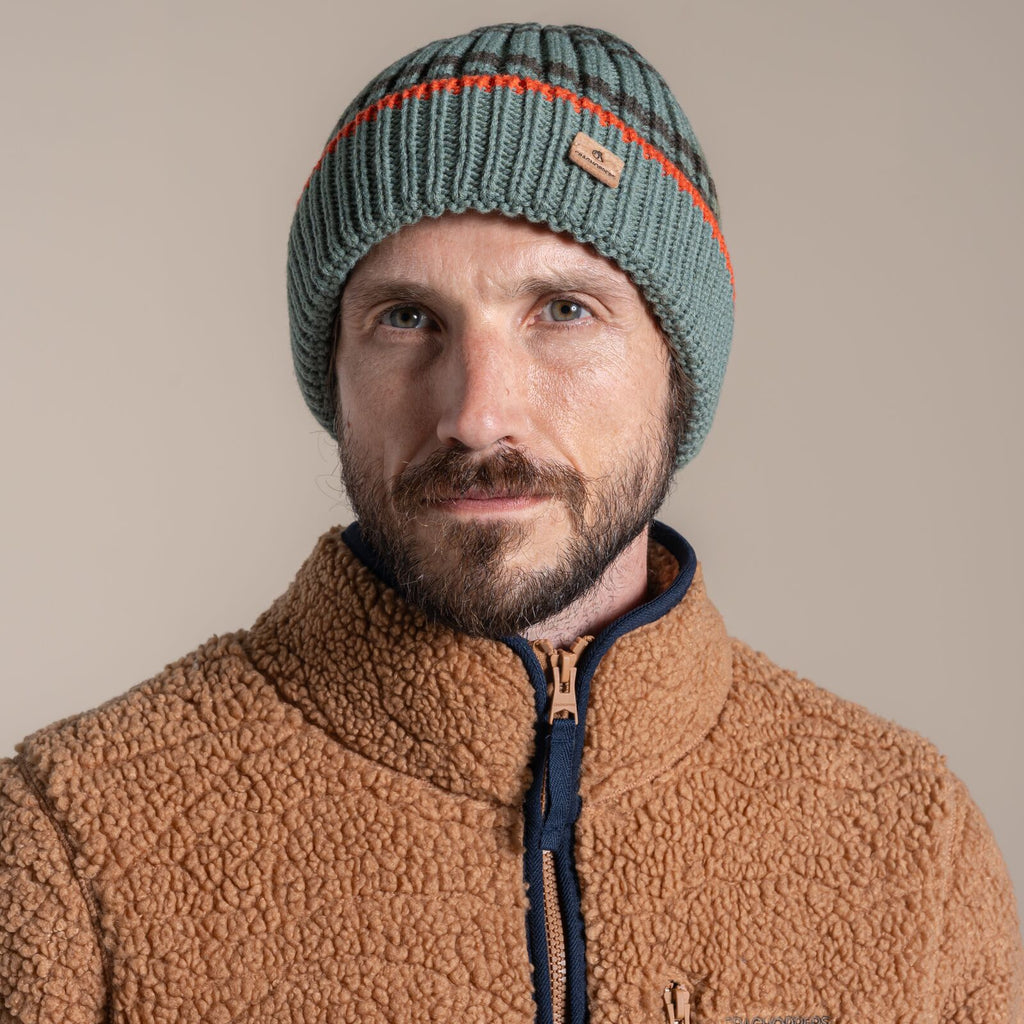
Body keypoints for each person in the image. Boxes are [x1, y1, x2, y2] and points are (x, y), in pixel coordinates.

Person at [1, 21, 1020, 1024]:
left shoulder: (907, 836)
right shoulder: (71, 841)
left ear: (679, 368)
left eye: (563, 311)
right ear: (335, 374)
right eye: (407, 318)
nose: (477, 413)